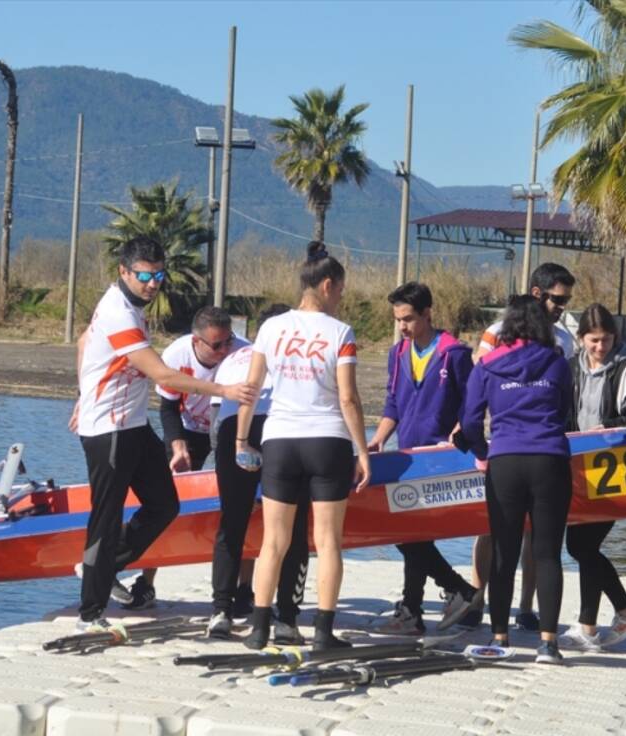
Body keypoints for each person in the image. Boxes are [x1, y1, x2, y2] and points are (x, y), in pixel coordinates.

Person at [70, 236, 256, 634]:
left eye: (159, 275)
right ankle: (92, 613)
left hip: (134, 425)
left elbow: (85, 341)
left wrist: (81, 393)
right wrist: (224, 391)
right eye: (144, 276)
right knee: (105, 518)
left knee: (165, 504)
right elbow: (164, 376)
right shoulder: (119, 312)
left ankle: (102, 565)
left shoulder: (132, 306)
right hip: (110, 430)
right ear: (123, 272)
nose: (153, 283)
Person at [234, 242, 371, 651]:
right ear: (327, 285)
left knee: (273, 541)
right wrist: (362, 451)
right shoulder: (340, 332)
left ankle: (259, 628)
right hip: (327, 440)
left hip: (279, 439)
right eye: (341, 290)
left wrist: (242, 440)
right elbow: (348, 398)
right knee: (328, 541)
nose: (341, 297)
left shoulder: (271, 328)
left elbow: (252, 388)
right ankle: (324, 633)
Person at [460, 295, 573, 664]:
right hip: (550, 459)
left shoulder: (488, 366)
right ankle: (548, 644)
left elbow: (472, 421)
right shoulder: (557, 363)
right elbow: (565, 411)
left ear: (508, 325)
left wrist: (481, 450)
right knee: (547, 552)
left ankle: (499, 636)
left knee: (504, 550)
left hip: (505, 460)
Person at [368, 282, 483, 634]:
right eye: (398, 320)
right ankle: (433, 602)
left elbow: (473, 403)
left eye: (408, 319)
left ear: (427, 313)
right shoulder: (397, 353)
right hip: (404, 456)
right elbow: (393, 404)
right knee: (411, 534)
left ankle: (432, 602)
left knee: (410, 533)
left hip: (439, 460)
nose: (402, 326)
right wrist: (378, 440)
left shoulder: (455, 354)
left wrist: (460, 430)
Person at [115, 307, 246, 610]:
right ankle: (146, 584)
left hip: (229, 426)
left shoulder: (242, 352)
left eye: (228, 341)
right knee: (166, 506)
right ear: (196, 341)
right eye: (217, 345)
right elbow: (168, 408)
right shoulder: (176, 355)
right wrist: (177, 445)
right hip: (188, 430)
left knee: (241, 503)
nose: (225, 350)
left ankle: (243, 589)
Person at [207, 303, 313, 643]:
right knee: (292, 527)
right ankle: (286, 618)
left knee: (232, 522)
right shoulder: (300, 353)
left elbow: (215, 416)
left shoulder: (236, 357)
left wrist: (232, 452)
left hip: (234, 431)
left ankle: (221, 611)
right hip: (282, 432)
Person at [560, 303, 626, 651]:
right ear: (581, 340)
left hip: (616, 470)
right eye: (594, 340)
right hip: (578, 469)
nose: (600, 347)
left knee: (580, 546)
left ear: (615, 337)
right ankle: (589, 627)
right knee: (584, 547)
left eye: (606, 340)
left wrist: (605, 428)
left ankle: (624, 612)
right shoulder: (569, 370)